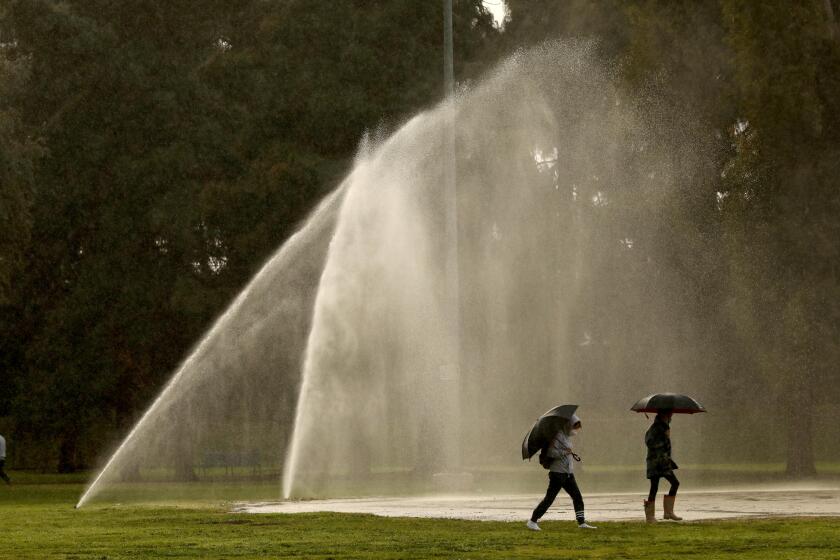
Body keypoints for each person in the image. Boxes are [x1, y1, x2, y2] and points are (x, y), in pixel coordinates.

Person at [527, 414, 596, 530]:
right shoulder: (557, 436)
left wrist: (568, 452)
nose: (576, 430)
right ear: (569, 424)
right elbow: (551, 453)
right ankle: (532, 521)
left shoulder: (565, 436)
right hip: (558, 474)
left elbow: (565, 451)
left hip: (568, 473)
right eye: (574, 426)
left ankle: (581, 522)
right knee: (549, 499)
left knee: (577, 497)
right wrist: (565, 452)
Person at [644, 409, 681, 522]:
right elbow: (650, 443)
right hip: (655, 462)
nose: (671, 416)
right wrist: (664, 438)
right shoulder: (655, 428)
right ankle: (650, 516)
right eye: (670, 414)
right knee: (654, 487)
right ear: (663, 415)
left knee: (675, 483)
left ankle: (668, 512)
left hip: (664, 462)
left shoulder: (665, 427)